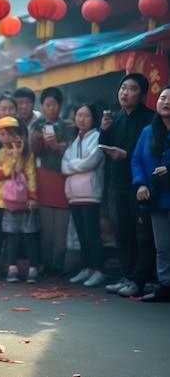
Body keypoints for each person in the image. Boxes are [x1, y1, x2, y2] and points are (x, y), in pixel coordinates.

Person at [99, 73, 156, 296]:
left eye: (131, 89)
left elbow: (151, 153)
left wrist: (126, 155)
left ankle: (141, 279)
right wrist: (104, 130)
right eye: (123, 88)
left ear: (142, 96)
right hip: (117, 183)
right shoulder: (116, 118)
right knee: (122, 234)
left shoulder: (151, 119)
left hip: (140, 185)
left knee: (142, 234)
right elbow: (103, 149)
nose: (124, 92)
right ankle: (127, 275)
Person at [0, 117, 39, 280]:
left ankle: (14, 268)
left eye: (11, 134)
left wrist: (33, 196)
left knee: (18, 237)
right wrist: (2, 173)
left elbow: (31, 173)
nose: (7, 138)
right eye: (3, 134)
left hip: (19, 200)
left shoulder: (25, 152)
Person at [131, 85, 170, 302]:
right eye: (163, 98)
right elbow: (136, 160)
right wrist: (140, 185)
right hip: (155, 197)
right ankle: (166, 285)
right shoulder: (148, 131)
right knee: (162, 246)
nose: (166, 102)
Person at [30, 86, 74, 277]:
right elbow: (33, 153)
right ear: (42, 106)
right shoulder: (35, 126)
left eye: (55, 104)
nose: (52, 108)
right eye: (48, 104)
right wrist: (38, 140)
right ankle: (47, 266)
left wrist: (58, 145)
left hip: (64, 179)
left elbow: (71, 151)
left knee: (61, 232)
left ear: (60, 106)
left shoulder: (69, 126)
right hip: (43, 178)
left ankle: (59, 266)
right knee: (47, 231)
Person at [62, 103, 106, 287]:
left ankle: (98, 269)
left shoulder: (97, 137)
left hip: (90, 194)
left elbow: (91, 162)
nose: (81, 119)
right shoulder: (75, 140)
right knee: (81, 235)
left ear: (93, 119)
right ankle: (87, 267)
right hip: (74, 196)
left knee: (92, 235)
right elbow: (64, 165)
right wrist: (78, 163)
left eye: (85, 116)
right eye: (78, 115)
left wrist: (75, 164)